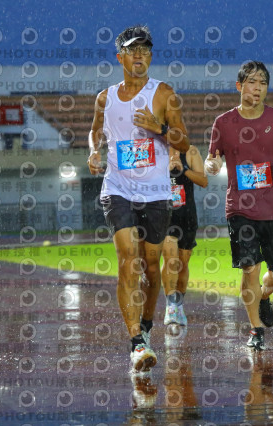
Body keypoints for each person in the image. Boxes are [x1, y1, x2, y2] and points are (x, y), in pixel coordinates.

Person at [87, 25, 190, 373]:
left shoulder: (164, 94)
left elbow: (184, 141)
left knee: (150, 265)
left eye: (145, 50)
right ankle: (136, 342)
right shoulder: (105, 98)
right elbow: (95, 130)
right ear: (120, 57)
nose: (140, 56)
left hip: (156, 192)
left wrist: (159, 129)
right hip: (118, 188)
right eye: (133, 51)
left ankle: (146, 323)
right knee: (128, 259)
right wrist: (94, 151)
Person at [204, 61, 273, 350]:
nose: (257, 88)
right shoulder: (224, 122)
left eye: (263, 83)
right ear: (239, 86)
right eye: (252, 82)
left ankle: (264, 295)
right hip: (240, 208)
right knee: (249, 267)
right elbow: (212, 157)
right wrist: (212, 165)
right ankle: (256, 330)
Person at [161, 146, 207, 326]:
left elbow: (203, 181)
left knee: (182, 263)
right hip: (164, 214)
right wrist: (165, 171)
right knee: (170, 259)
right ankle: (170, 306)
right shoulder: (156, 150)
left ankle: (179, 306)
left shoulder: (191, 152)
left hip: (187, 215)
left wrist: (184, 169)